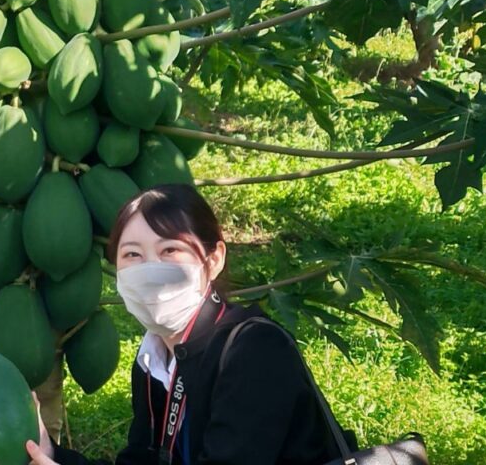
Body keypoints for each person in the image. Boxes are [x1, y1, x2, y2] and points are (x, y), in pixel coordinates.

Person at [27, 184, 352, 465]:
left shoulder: (254, 351)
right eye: (132, 255)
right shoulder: (153, 360)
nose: (149, 270)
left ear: (214, 259)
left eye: (170, 250)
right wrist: (51, 452)